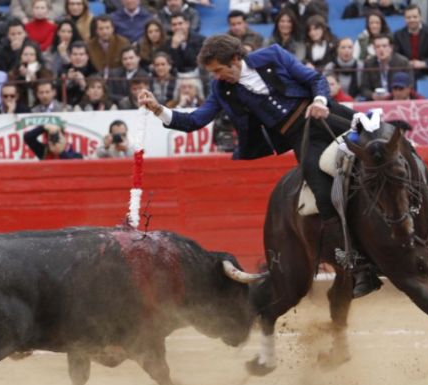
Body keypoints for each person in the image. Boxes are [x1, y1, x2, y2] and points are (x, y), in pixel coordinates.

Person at [138, 35, 382, 298]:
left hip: (328, 115)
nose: (218, 77)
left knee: (383, 146)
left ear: (235, 59)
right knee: (323, 196)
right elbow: (196, 120)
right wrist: (158, 109)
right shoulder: (223, 89)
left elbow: (315, 80)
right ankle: (360, 268)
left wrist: (320, 101)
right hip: (302, 138)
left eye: (219, 70)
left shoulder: (273, 55)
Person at [359, 34, 413, 101]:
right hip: (376, 101)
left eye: (384, 46)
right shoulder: (369, 64)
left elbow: (410, 85)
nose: (381, 49)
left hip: (397, 99)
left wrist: (391, 96)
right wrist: (372, 95)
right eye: (377, 47)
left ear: (391, 48)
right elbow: (364, 88)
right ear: (374, 49)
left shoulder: (403, 62)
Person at [393, 4, 428, 79]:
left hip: (426, 71)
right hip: (406, 71)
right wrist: (407, 63)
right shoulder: (398, 35)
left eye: (415, 17)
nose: (412, 20)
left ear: (420, 17)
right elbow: (396, 55)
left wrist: (424, 63)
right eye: (408, 17)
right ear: (404, 19)